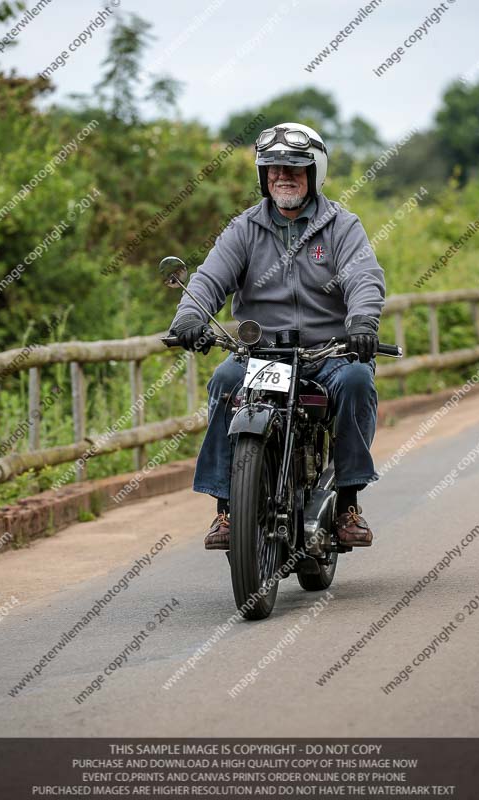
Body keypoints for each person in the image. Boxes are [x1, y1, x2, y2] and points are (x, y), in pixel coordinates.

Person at [169, 122, 385, 550]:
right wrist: (189, 318)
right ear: (262, 176)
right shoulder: (244, 228)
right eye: (273, 169)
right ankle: (227, 511)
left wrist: (362, 324)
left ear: (315, 173)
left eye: (294, 168)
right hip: (263, 353)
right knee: (224, 382)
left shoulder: (341, 226)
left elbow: (365, 278)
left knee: (358, 382)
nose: (282, 176)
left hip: (330, 352)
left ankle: (346, 502)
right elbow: (210, 278)